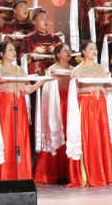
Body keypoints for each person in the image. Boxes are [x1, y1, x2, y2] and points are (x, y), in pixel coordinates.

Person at [67, 40, 112, 188]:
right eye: (91, 49)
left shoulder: (101, 68)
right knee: (88, 137)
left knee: (100, 137)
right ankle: (87, 174)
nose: (94, 51)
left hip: (100, 105)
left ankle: (102, 174)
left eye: (95, 49)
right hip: (86, 105)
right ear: (84, 51)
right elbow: (73, 92)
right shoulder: (77, 70)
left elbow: (108, 88)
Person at [0, 41, 48, 181]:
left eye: (14, 49)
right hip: (4, 109)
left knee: (20, 138)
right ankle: (3, 174)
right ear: (2, 53)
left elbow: (28, 89)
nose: (14, 52)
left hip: (20, 108)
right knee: (5, 138)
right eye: (10, 50)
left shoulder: (20, 70)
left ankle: (21, 175)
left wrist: (44, 80)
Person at [34, 43, 73, 184]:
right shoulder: (52, 70)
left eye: (69, 50)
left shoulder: (74, 70)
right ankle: (51, 172)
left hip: (71, 105)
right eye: (65, 50)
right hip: (57, 106)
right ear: (57, 54)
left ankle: (70, 171)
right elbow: (47, 93)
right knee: (55, 132)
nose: (68, 52)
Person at [19, 9, 59, 76]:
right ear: (34, 22)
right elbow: (23, 54)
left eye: (47, 18)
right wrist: (25, 56)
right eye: (42, 18)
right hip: (36, 76)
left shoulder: (56, 38)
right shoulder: (29, 38)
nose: (46, 20)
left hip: (53, 75)